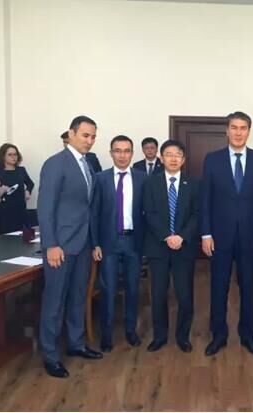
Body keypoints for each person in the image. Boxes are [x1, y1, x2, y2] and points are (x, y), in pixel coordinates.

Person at [38, 115, 103, 379]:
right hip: (61, 247)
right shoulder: (56, 163)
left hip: (83, 244)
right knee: (54, 302)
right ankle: (50, 356)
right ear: (71, 134)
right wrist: (51, 244)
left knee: (78, 298)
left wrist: (94, 242)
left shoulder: (88, 164)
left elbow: (88, 208)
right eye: (85, 135)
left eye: (93, 136)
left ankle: (76, 344)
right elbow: (46, 207)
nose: (90, 140)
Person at [201, 111, 253, 357]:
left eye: (243, 128)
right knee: (218, 287)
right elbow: (206, 198)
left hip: (250, 235)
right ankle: (218, 335)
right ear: (227, 131)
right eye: (234, 127)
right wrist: (206, 233)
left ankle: (248, 335)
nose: (238, 132)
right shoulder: (212, 159)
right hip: (219, 235)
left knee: (249, 286)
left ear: (248, 131)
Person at [143, 140, 200, 353]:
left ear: (183, 159)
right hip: (158, 247)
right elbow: (149, 213)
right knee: (158, 294)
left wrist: (181, 237)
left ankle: (183, 336)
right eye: (169, 154)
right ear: (161, 158)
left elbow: (197, 214)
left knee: (185, 295)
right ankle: (159, 336)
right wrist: (167, 236)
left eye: (177, 155)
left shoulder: (194, 184)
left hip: (184, 248)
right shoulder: (151, 183)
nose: (173, 158)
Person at [91, 135, 146, 353]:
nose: (122, 155)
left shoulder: (142, 179)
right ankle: (106, 335)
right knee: (108, 289)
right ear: (111, 153)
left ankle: (131, 331)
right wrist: (95, 243)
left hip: (134, 241)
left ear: (132, 153)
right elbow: (94, 214)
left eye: (126, 151)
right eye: (118, 150)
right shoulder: (100, 179)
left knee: (133, 288)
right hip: (109, 242)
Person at [0, 144, 34, 234]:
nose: (13, 157)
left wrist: (28, 191)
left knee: (20, 236)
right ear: (3, 156)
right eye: (10, 154)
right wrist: (1, 190)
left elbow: (30, 183)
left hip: (19, 208)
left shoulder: (21, 170)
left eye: (15, 154)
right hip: (2, 210)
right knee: (4, 237)